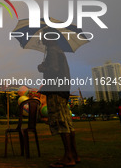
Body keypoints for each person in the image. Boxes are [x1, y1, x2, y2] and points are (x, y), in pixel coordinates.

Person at [38, 28, 80, 168]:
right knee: (67, 123)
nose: (42, 40)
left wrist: (42, 68)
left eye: (43, 37)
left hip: (56, 91)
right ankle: (74, 154)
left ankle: (68, 157)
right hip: (63, 90)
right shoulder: (58, 50)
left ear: (50, 38)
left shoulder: (52, 50)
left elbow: (54, 70)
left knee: (61, 123)